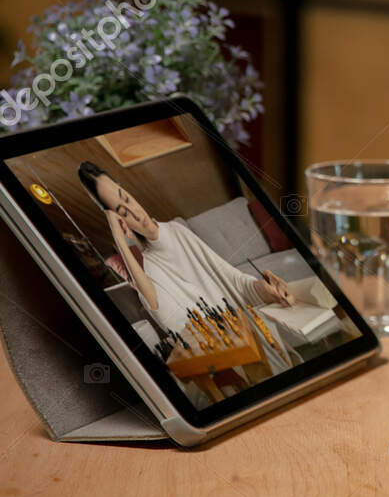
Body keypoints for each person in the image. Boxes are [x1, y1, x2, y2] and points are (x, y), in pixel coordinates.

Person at [77, 161, 303, 384]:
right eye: (122, 212)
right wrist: (120, 241)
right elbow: (160, 312)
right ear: (120, 222)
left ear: (127, 190)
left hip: (249, 330)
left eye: (126, 199)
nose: (135, 213)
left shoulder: (177, 231)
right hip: (227, 346)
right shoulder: (151, 266)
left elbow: (230, 278)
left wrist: (263, 289)